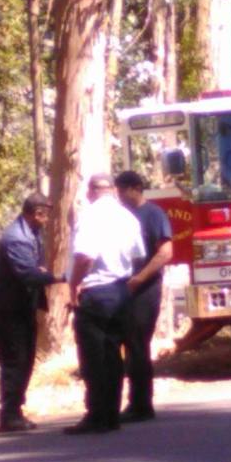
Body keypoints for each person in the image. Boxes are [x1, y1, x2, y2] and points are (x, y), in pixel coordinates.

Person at [65, 173, 146, 435]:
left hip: (96, 290)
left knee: (93, 356)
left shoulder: (90, 216)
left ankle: (96, 414)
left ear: (91, 191)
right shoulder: (127, 217)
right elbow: (138, 254)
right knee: (113, 355)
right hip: (120, 291)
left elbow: (85, 256)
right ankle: (111, 413)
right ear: (111, 190)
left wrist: (73, 284)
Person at [0, 192, 62, 433]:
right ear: (37, 213)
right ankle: (9, 414)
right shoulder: (17, 239)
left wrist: (40, 271)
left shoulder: (32, 232)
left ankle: (15, 411)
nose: (47, 220)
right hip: (9, 310)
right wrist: (59, 277)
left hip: (22, 307)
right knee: (15, 361)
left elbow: (35, 268)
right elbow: (28, 274)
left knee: (25, 359)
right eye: (45, 215)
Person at [114, 170, 173, 423]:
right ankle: (130, 401)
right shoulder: (121, 216)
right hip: (123, 288)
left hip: (146, 290)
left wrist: (141, 278)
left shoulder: (153, 214)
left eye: (122, 190)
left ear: (135, 188)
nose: (119, 195)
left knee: (138, 344)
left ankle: (141, 404)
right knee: (127, 343)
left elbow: (165, 252)